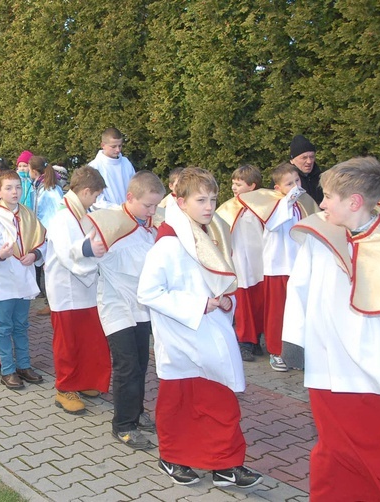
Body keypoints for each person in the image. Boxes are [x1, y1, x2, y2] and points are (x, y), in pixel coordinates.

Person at [282, 157, 380, 502]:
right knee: (334, 453)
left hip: (379, 374)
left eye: (329, 196)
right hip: (326, 366)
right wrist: (293, 341)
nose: (322, 203)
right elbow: (298, 287)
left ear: (355, 202)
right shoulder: (320, 234)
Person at [138, 167, 262, 488]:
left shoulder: (211, 236)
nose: (209, 207)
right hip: (181, 337)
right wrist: (198, 305)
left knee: (220, 402)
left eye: (212, 199)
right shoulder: (168, 243)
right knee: (178, 403)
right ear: (180, 203)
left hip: (211, 334)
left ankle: (226, 463)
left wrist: (224, 302)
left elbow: (222, 284)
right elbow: (148, 292)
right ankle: (173, 456)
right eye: (200, 200)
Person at [82, 171, 165, 450]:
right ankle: (123, 425)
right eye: (147, 205)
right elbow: (75, 250)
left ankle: (137, 411)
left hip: (142, 304)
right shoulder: (110, 221)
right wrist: (89, 248)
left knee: (141, 363)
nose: (152, 211)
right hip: (116, 304)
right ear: (130, 198)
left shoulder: (152, 223)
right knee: (127, 364)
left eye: (156, 206)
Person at [238, 162, 319, 371]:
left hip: (298, 266)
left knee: (298, 311)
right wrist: (290, 198)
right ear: (277, 188)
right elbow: (273, 222)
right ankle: (276, 351)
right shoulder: (273, 204)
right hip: (277, 267)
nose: (295, 186)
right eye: (289, 183)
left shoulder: (303, 204)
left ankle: (296, 352)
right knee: (277, 313)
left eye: (298, 181)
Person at [45, 166, 112, 414]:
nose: (96, 201)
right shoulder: (63, 217)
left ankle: (84, 381)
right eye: (95, 195)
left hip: (85, 290)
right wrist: (91, 253)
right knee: (68, 343)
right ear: (85, 191)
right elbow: (68, 254)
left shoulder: (82, 212)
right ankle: (65, 388)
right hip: (66, 291)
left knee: (88, 340)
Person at [0, 170, 45, 389]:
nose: (14, 191)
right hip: (4, 281)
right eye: (8, 188)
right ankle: (8, 369)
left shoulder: (27, 213)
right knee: (4, 327)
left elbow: (43, 240)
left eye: (17, 187)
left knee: (21, 325)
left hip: (24, 279)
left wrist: (35, 254)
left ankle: (24, 365)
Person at [216, 165, 265, 362]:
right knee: (243, 304)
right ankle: (245, 341)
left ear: (252, 186)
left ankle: (256, 340)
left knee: (259, 302)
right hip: (240, 264)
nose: (234, 188)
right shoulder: (229, 207)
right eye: (233, 184)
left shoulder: (263, 206)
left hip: (259, 263)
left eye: (239, 184)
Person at [28, 155, 64, 316]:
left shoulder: (49, 189)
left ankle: (54, 303)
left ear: (34, 171)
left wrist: (45, 233)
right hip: (46, 234)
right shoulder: (42, 186)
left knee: (51, 270)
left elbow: (53, 213)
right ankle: (52, 302)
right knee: (47, 270)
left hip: (50, 235)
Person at [88, 128, 135, 209]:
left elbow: (135, 188)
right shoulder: (94, 167)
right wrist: (119, 208)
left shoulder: (126, 162)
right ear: (103, 145)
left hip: (129, 212)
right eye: (113, 146)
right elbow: (96, 201)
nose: (118, 150)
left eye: (120, 146)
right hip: (107, 215)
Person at [289, 134, 323, 204]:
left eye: (312, 157)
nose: (309, 161)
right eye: (304, 158)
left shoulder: (322, 177)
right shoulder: (284, 179)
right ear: (292, 160)